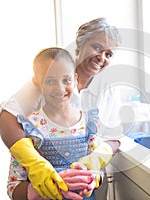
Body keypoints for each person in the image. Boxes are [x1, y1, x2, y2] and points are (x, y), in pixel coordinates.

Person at [0, 17, 121, 199]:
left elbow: (112, 139)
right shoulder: (51, 70)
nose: (101, 57)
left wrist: (92, 168)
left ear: (74, 80)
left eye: (108, 54)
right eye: (97, 47)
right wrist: (37, 166)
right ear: (81, 44)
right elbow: (6, 117)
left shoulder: (106, 91)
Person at [8, 47, 112, 200]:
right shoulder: (29, 127)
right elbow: (13, 186)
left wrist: (94, 179)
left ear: (75, 79)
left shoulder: (88, 123)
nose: (59, 88)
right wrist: (45, 188)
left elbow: (98, 170)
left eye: (66, 80)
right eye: (50, 81)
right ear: (36, 82)